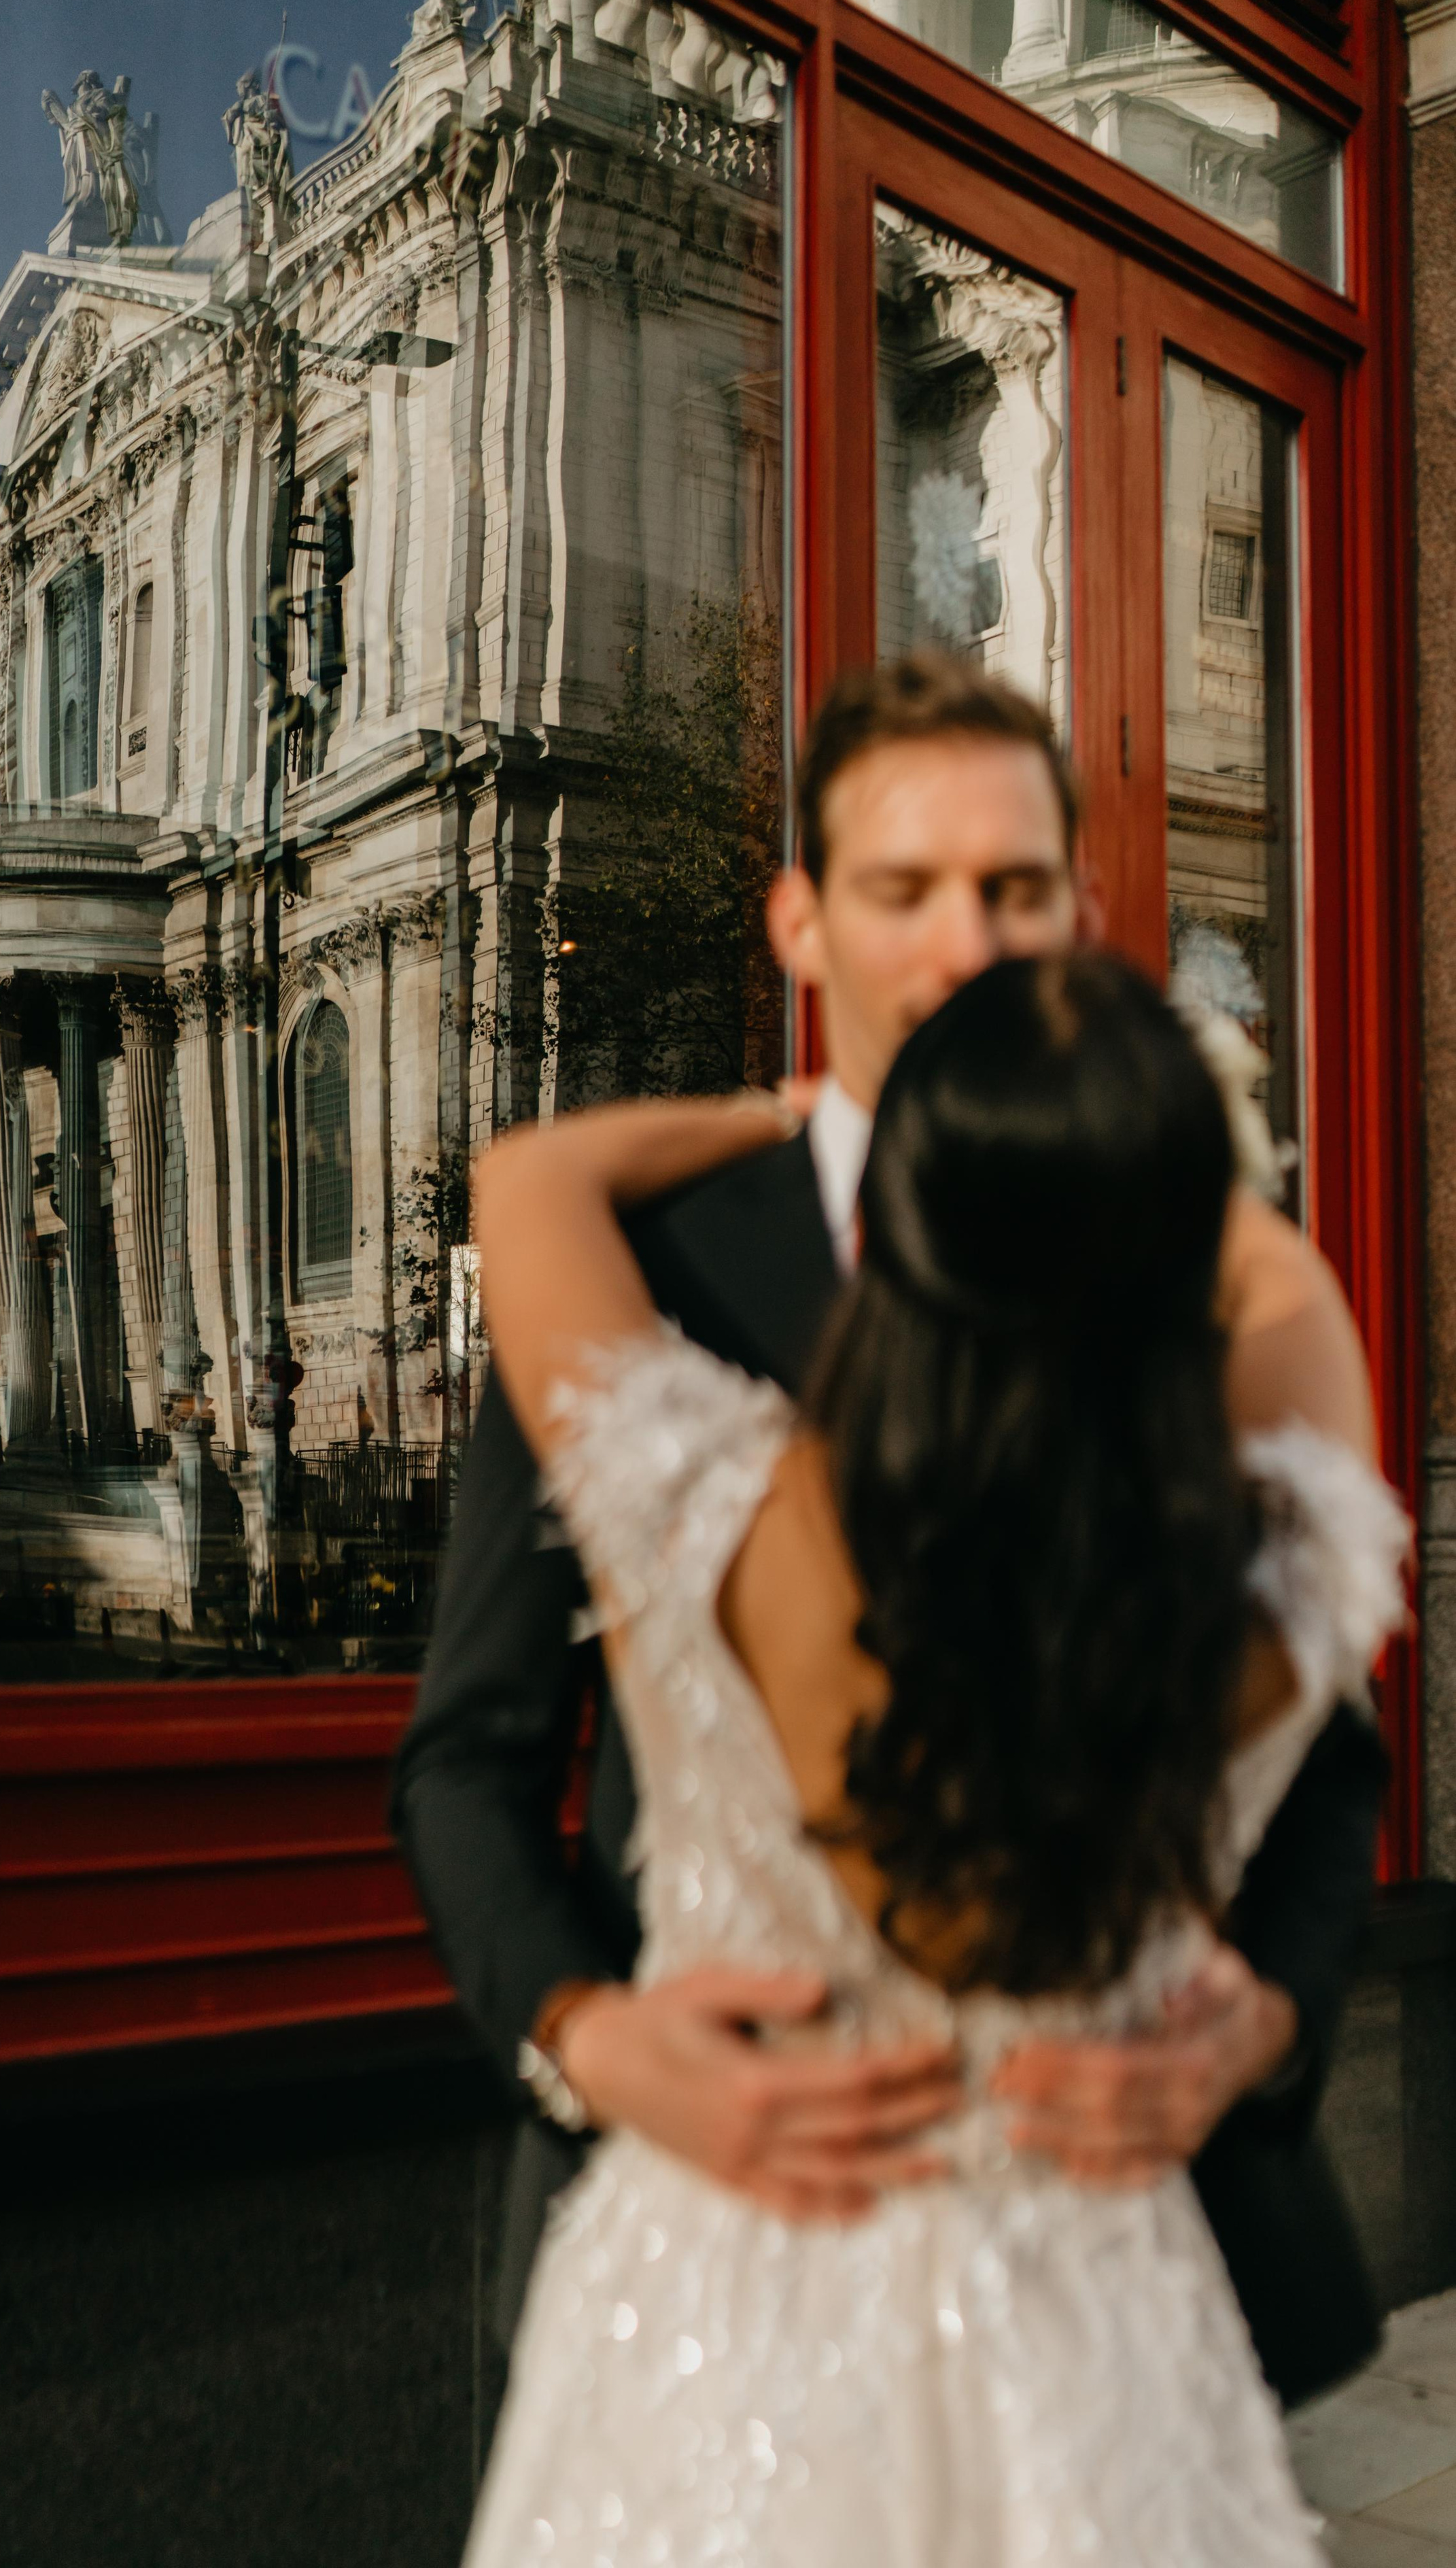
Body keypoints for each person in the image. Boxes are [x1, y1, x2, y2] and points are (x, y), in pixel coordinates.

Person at [392, 656, 1389, 2403]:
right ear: (798, 921)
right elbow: (467, 1758)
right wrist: (595, 2040)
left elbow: (1326, 1770)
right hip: (713, 2223)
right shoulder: (667, 1261)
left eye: (1011, 888)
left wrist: (1265, 2020)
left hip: (1138, 2245)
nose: (964, 941)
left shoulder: (1179, 1276)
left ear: (1082, 908)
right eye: (901, 888)